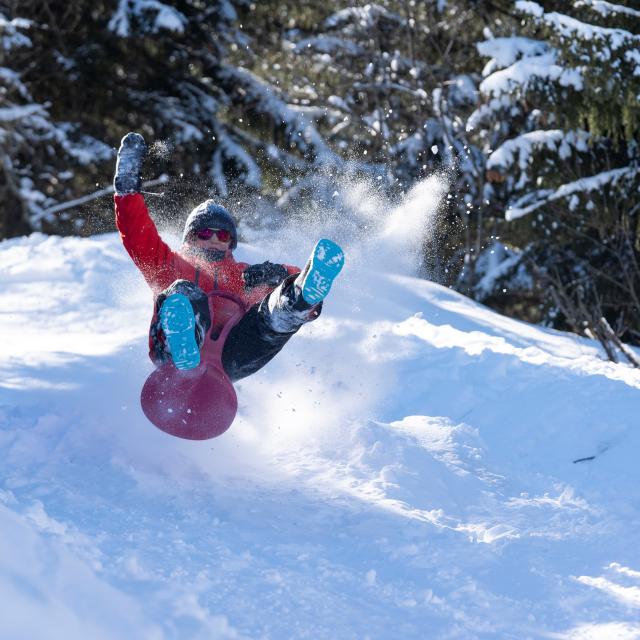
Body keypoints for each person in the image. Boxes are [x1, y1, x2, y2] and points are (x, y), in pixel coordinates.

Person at [113, 132, 344, 381]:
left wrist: (280, 274)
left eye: (222, 235)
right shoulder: (169, 266)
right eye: (205, 232)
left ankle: (299, 301)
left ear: (231, 244)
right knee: (182, 292)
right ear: (190, 238)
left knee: (268, 317)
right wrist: (127, 190)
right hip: (171, 359)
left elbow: (283, 282)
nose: (214, 239)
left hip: (231, 359)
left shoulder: (243, 277)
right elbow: (136, 235)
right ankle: (183, 343)